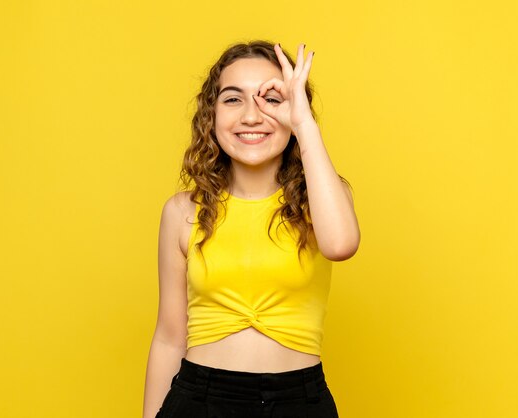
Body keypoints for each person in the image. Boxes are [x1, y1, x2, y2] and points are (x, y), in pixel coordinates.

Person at [142, 40, 360, 418]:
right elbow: (168, 337)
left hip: (299, 401)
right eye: (232, 99)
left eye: (271, 99)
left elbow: (341, 244)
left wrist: (304, 124)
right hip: (199, 400)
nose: (251, 116)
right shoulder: (183, 212)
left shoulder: (320, 200)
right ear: (210, 115)